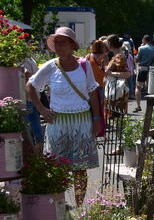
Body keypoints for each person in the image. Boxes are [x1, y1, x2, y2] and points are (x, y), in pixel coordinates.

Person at [27, 27, 102, 203]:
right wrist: (41, 109)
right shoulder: (50, 66)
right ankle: (58, 204)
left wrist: (96, 118)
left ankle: (79, 206)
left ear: (72, 45)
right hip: (58, 122)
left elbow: (92, 92)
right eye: (56, 43)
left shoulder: (84, 65)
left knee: (80, 168)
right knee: (56, 167)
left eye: (63, 42)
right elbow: (31, 85)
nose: (58, 46)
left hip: (81, 121)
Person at [133, 35, 154, 112]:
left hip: (142, 69)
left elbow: (137, 60)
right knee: (151, 89)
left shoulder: (141, 48)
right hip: (151, 69)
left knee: (138, 87)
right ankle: (153, 107)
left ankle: (138, 106)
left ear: (144, 40)